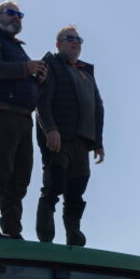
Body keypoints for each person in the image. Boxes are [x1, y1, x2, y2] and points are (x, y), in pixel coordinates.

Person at [0, 0, 48, 239]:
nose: (16, 18)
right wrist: (26, 69)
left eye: (20, 15)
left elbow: (20, 76)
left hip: (23, 117)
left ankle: (12, 230)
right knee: (0, 170)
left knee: (20, 177)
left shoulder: (19, 49)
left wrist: (38, 80)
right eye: (11, 13)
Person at [35, 25, 104, 245]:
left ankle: (73, 233)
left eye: (79, 39)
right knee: (53, 187)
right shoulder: (51, 65)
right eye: (70, 39)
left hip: (82, 142)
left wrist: (98, 142)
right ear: (58, 44)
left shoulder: (85, 71)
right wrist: (50, 130)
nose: (75, 42)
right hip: (59, 139)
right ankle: (46, 236)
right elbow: (42, 102)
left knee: (76, 192)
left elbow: (98, 107)